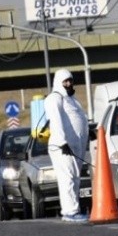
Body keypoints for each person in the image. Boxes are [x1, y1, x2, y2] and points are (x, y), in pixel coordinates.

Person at [44, 69, 90, 223]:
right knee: (67, 177)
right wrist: (62, 142)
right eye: (65, 81)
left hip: (74, 147)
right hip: (62, 147)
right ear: (58, 82)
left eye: (70, 80)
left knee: (75, 178)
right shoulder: (54, 98)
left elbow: (78, 119)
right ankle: (70, 212)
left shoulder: (72, 99)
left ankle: (74, 209)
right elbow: (55, 122)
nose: (69, 84)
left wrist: (89, 132)